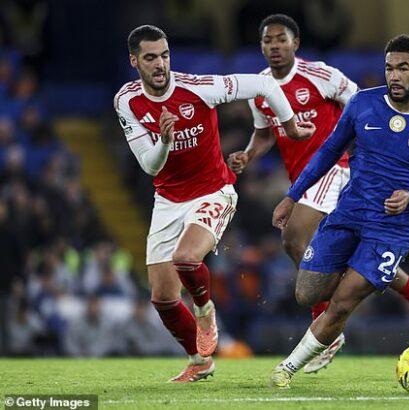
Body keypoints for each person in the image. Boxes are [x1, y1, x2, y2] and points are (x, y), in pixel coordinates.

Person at [227, 14, 409, 374]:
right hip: (306, 176)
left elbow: (361, 106)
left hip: (340, 169)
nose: (275, 46)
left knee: (293, 236)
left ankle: (325, 329)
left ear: (295, 43)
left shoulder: (321, 75)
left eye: (281, 39)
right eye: (268, 41)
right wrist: (249, 155)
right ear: (261, 46)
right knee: (353, 262)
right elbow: (265, 134)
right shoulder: (261, 89)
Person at [114, 25, 314, 383]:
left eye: (164, 55)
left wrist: (292, 128)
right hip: (168, 199)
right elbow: (150, 165)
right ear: (134, 61)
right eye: (150, 57)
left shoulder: (199, 88)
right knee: (162, 297)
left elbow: (265, 85)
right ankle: (199, 361)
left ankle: (205, 310)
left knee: (186, 258)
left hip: (213, 191)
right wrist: (164, 141)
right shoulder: (127, 101)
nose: (160, 64)